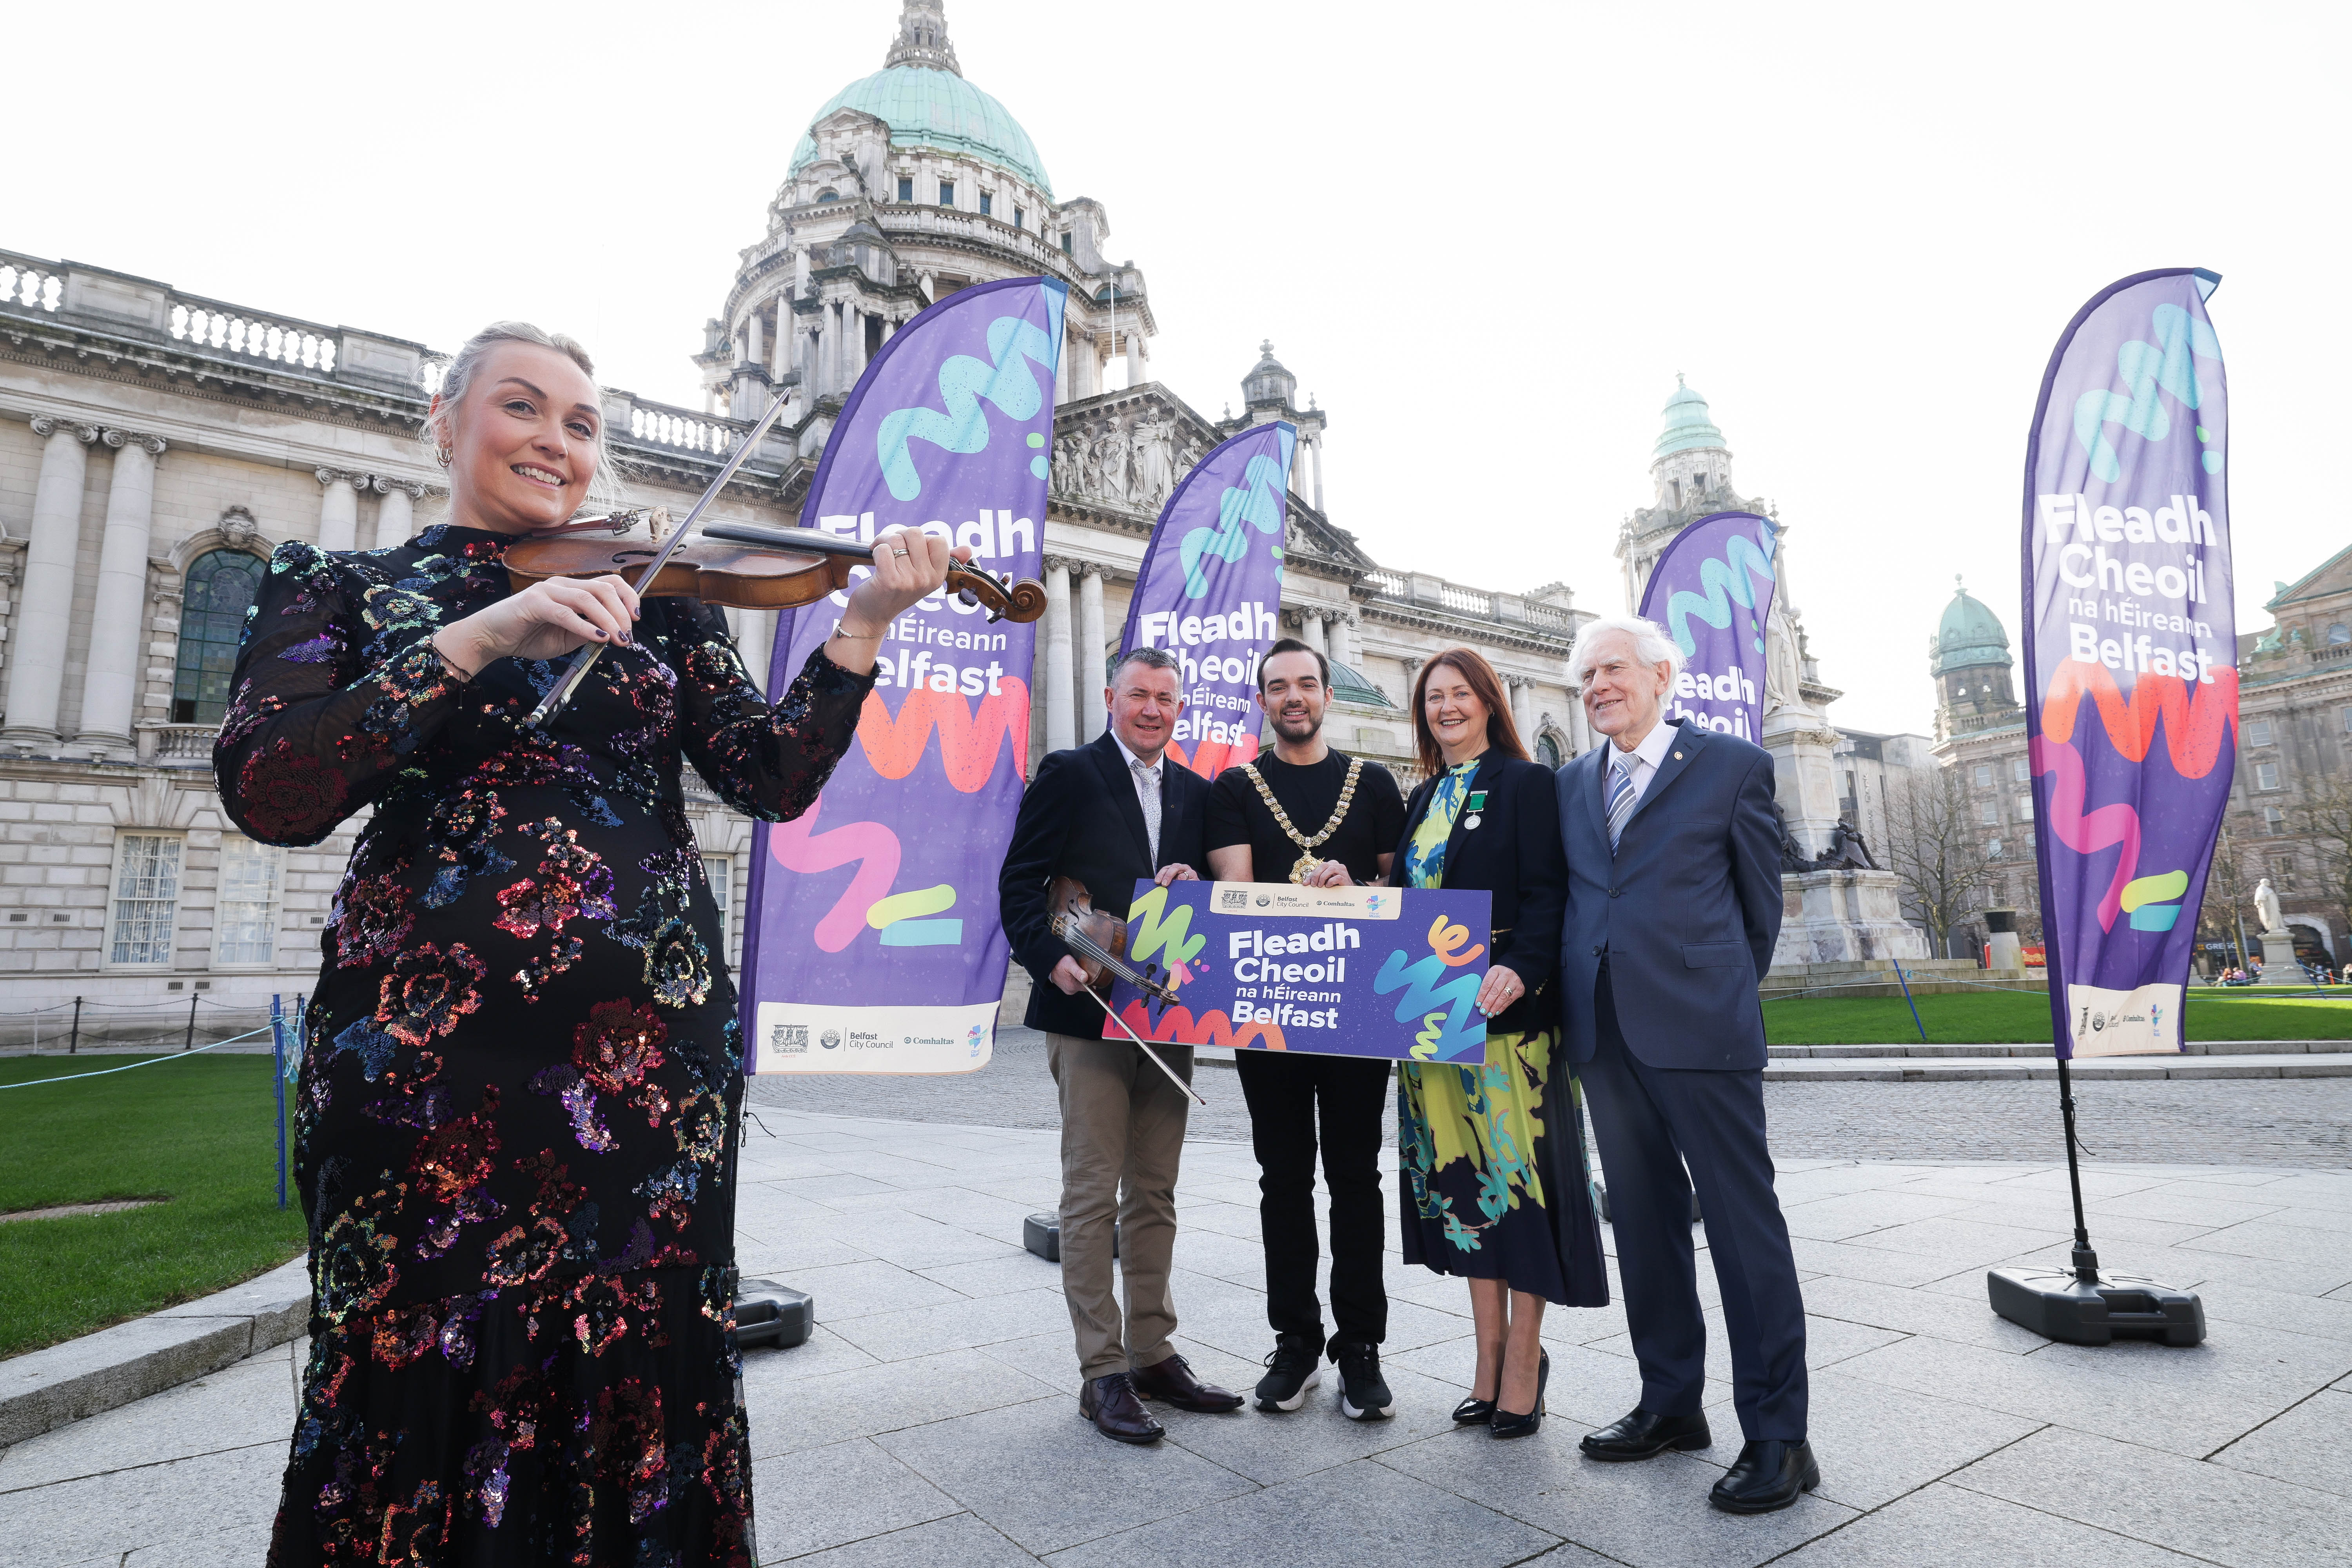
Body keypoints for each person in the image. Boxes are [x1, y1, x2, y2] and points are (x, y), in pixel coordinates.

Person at [223, 322, 965, 1564]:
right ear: (444, 421)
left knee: (641, 1360)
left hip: (647, 1077)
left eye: (583, 425)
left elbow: (771, 776)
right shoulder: (342, 587)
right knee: (420, 1355)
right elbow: (273, 787)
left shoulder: (654, 596)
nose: (558, 445)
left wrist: (868, 623)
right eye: (524, 407)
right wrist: (485, 638)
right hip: (426, 1075)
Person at [1553, 614, 1818, 1514]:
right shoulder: (1570, 782)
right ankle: (1671, 1402)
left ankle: (1781, 1434)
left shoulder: (1732, 766)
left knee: (1744, 1229)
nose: (1598, 687)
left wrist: (1711, 991)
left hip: (1701, 1030)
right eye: (1587, 677)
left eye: (1613, 669)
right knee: (1645, 1223)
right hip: (1604, 1032)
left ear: (1663, 674)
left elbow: (1759, 914)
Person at [998, 648, 1243, 1443]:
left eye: (1166, 697)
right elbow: (1018, 883)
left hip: (1169, 1019)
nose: (1152, 708)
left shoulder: (1200, 793)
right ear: (1111, 695)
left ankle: (1153, 1351)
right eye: (1139, 693)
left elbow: (1221, 909)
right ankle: (1101, 1371)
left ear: (1180, 707)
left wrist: (1194, 887)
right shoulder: (1069, 771)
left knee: (1156, 1193)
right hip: (1089, 1012)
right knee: (1091, 1193)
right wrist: (1050, 958)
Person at [1389, 647, 1607, 1440]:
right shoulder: (1423, 796)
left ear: (1489, 702)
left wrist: (1523, 965)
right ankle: (1484, 1357)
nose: (1446, 707)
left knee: (1518, 1186)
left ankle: (1525, 1360)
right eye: (1434, 697)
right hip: (1432, 1026)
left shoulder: (1525, 782)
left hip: (1509, 1019)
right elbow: (1409, 905)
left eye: (1460, 694)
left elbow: (1554, 891)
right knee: (1461, 1186)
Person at [1204, 637, 1407, 1419]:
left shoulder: (1376, 782)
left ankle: (1360, 1345)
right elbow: (1235, 889)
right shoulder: (1236, 786)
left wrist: (1354, 886)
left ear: (1327, 695)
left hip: (1360, 1008)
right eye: (1279, 686)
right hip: (1269, 1004)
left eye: (1307, 684)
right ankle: (1295, 1341)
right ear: (1263, 701)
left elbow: (1401, 888)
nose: (1295, 696)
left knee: (1357, 1175)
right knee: (1283, 1177)